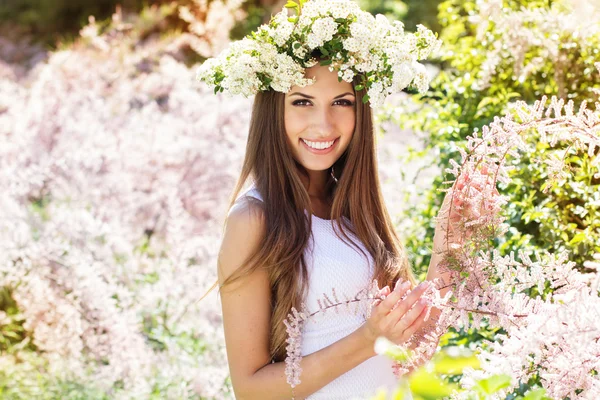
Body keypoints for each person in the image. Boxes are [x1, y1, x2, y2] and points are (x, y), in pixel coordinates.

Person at [197, 1, 444, 398]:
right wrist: (368, 338)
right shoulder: (254, 219)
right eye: (302, 101)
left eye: (342, 103)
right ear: (272, 109)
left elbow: (414, 347)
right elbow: (250, 390)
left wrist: (448, 248)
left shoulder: (357, 211)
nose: (324, 124)